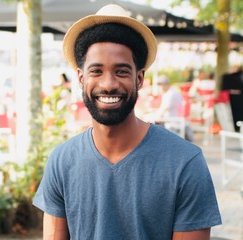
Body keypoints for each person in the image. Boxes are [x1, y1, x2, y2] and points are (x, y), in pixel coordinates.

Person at [33, 4, 221, 240]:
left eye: (121, 71)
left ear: (139, 78)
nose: (108, 83)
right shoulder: (61, 161)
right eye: (96, 71)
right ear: (81, 79)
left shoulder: (185, 163)